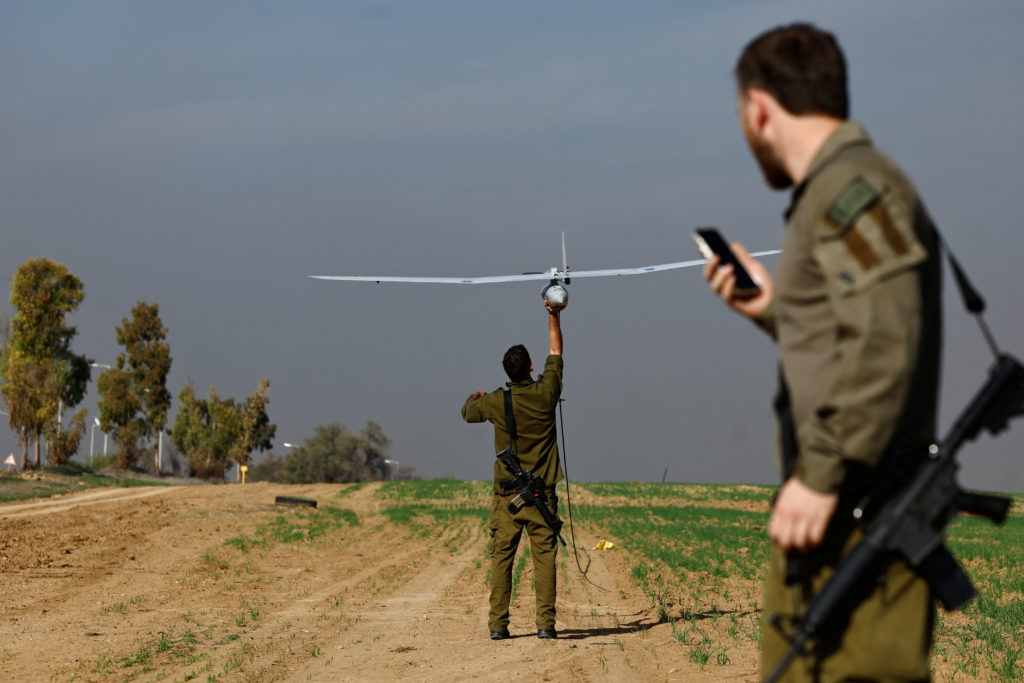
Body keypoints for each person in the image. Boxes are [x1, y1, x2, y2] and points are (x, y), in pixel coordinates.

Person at [704, 23, 942, 681]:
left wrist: (821, 470)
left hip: (863, 526)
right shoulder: (839, 191)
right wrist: (775, 311)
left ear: (759, 109)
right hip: (842, 527)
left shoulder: (850, 191)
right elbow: (858, 337)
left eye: (742, 119)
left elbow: (890, 338)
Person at [461, 298, 565, 641]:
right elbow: (556, 353)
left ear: (508, 372)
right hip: (541, 498)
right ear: (531, 368)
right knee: (544, 561)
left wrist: (475, 397)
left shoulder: (494, 401)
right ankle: (545, 625)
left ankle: (497, 626)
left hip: (506, 500)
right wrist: (553, 316)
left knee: (501, 562)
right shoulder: (547, 393)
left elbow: (466, 414)